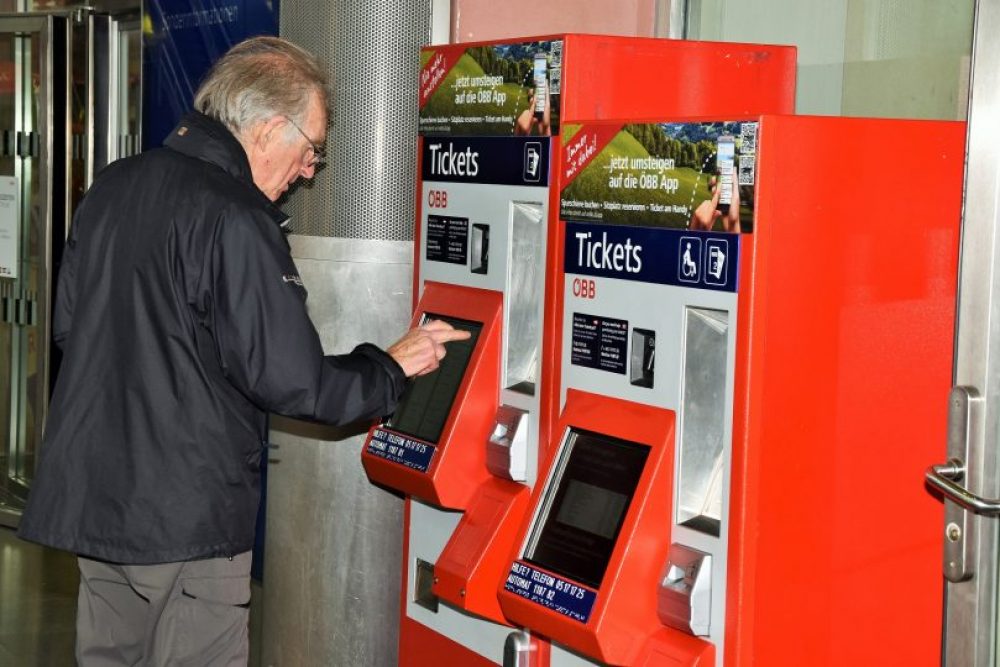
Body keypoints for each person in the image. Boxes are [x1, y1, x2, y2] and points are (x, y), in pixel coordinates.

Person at [17, 36, 467, 666]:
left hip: (98, 503)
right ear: (270, 128)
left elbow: (71, 330)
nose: (310, 170)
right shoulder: (235, 217)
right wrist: (391, 367)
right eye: (311, 149)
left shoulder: (113, 187)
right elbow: (294, 382)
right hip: (186, 519)